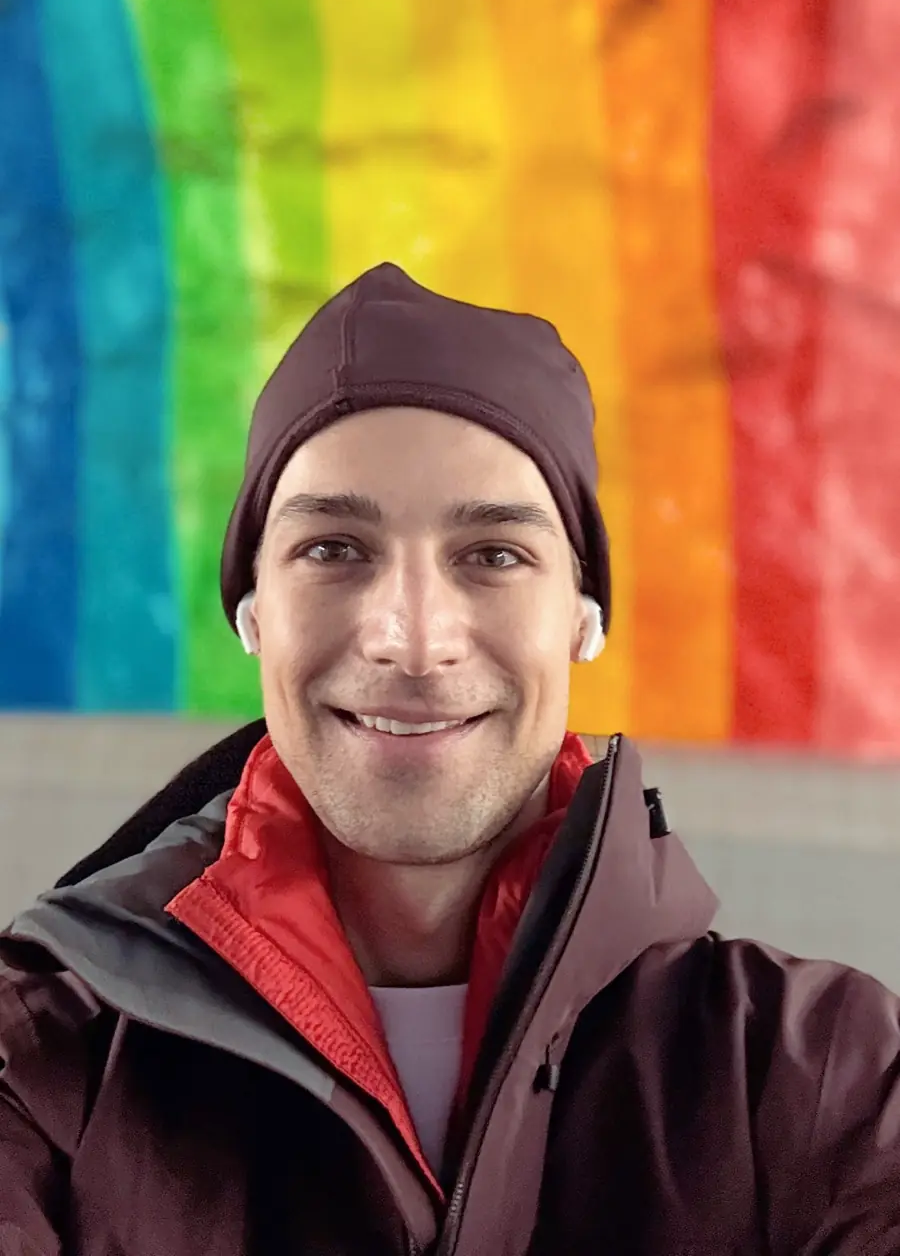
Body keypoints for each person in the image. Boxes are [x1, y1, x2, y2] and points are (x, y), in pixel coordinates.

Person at [1, 263, 898, 1256]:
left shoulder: (826, 1077)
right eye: (335, 548)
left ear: (583, 616)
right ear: (252, 611)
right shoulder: (38, 1058)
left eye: (494, 555)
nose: (413, 638)